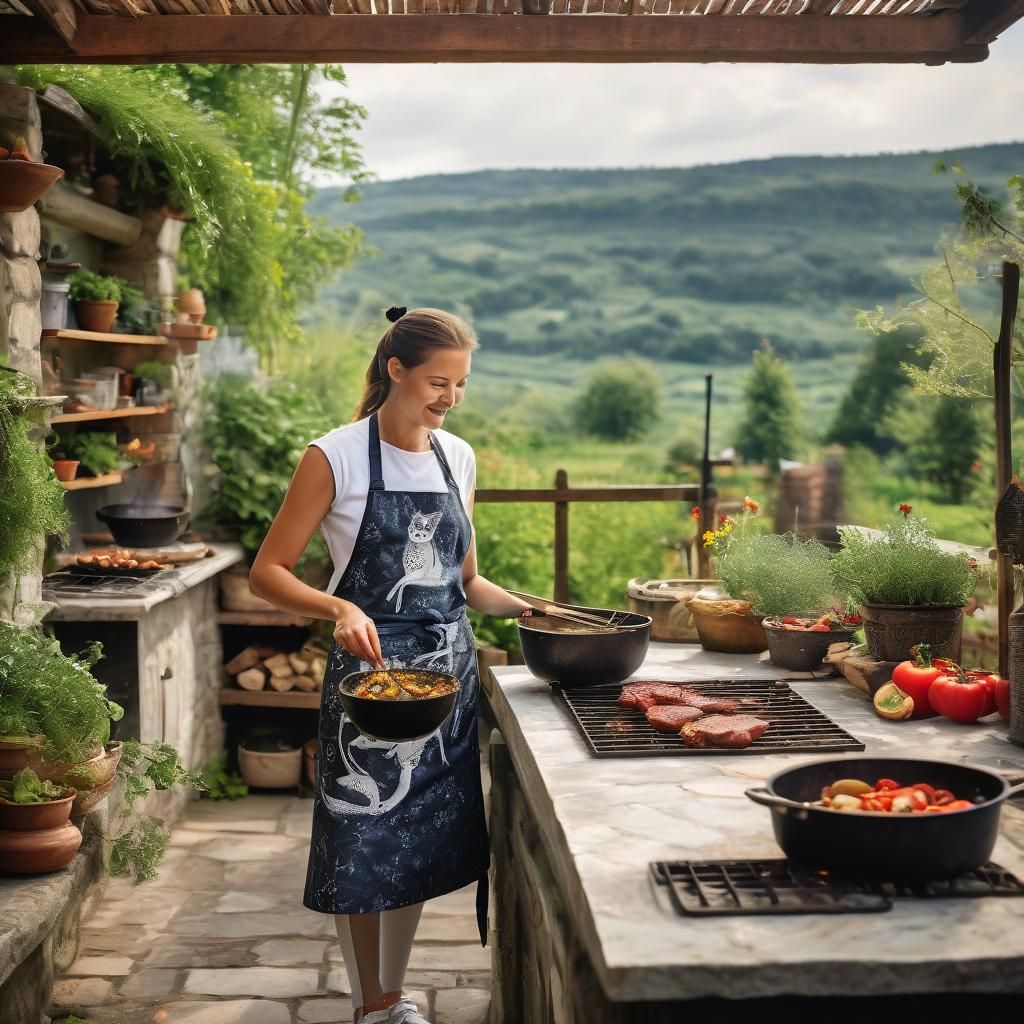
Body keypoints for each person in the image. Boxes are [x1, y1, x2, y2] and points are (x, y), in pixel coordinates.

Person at [249, 306, 530, 1024]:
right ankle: (374, 1002)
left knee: (415, 841)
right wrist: (338, 608)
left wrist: (534, 611)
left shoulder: (455, 456)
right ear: (395, 370)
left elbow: (467, 581)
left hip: (448, 677)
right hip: (371, 678)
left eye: (461, 385)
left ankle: (389, 997)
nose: (449, 398)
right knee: (363, 836)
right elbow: (268, 572)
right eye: (438, 382)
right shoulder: (334, 456)